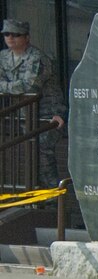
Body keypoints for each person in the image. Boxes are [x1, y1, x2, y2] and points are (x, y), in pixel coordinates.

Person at [0, 18, 64, 187]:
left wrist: (5, 87)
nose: (10, 38)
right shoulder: (3, 57)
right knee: (31, 156)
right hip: (25, 114)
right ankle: (38, 199)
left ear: (26, 37)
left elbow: (30, 86)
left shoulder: (37, 58)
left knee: (42, 154)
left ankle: (54, 201)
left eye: (16, 34)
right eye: (7, 34)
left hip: (48, 114)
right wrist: (10, 87)